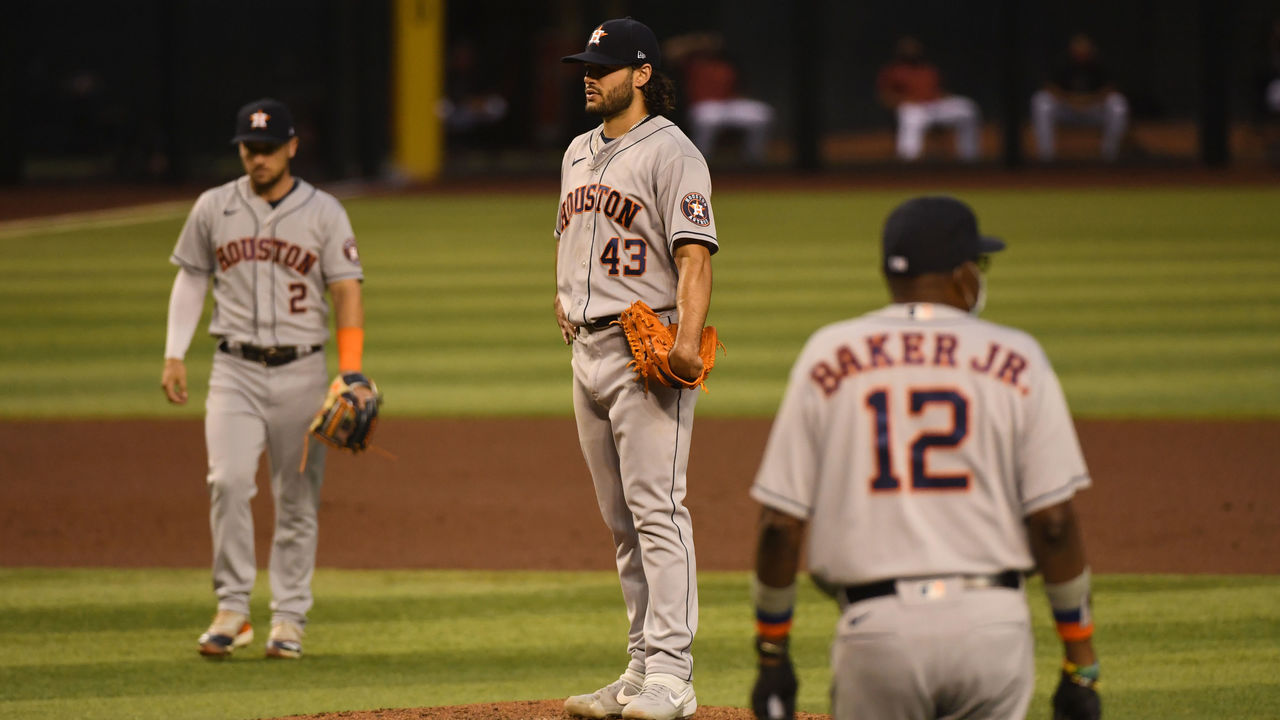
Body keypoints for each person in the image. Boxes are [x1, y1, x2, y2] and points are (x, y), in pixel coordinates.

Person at [748, 196, 1101, 720]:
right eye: (980, 266)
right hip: (993, 628)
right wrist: (1081, 663)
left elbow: (779, 525)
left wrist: (772, 653)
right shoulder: (1019, 357)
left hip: (878, 633)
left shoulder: (829, 353)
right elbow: (1053, 522)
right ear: (962, 276)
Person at [161, 98, 373, 660]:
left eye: (268, 149)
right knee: (227, 481)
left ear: (292, 147)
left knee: (296, 497)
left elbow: (346, 288)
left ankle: (288, 618)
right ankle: (232, 607)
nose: (257, 159)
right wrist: (174, 353)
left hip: (303, 371)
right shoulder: (213, 207)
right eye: (249, 150)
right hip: (232, 370)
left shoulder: (325, 212)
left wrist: (349, 370)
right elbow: (190, 279)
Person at [554, 16, 717, 720]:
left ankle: (673, 676)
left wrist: (685, 336)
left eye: (606, 65)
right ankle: (639, 667)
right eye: (588, 64)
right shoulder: (576, 151)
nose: (591, 74)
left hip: (641, 351)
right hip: (585, 354)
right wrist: (563, 296)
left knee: (658, 512)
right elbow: (574, 236)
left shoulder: (673, 152)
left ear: (643, 73)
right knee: (621, 521)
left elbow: (694, 254)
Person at [667, 32, 774, 164]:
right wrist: (697, 42)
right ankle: (699, 161)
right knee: (707, 119)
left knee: (762, 114)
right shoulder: (693, 62)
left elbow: (740, 89)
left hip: (728, 105)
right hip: (704, 107)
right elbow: (669, 51)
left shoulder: (727, 64)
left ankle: (753, 160)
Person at [876, 36, 982, 162]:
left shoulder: (928, 69)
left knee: (967, 108)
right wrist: (902, 102)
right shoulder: (893, 71)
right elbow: (886, 96)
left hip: (935, 106)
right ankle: (908, 161)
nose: (911, 52)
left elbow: (939, 91)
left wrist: (945, 98)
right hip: (914, 108)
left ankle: (969, 158)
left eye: (914, 49)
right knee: (910, 117)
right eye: (907, 49)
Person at [1031, 34, 1129, 162]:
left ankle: (1109, 155)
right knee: (1041, 101)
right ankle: (1046, 156)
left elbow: (1111, 88)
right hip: (1067, 109)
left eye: (1084, 49)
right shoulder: (1063, 63)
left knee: (1118, 104)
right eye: (1078, 49)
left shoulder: (1099, 65)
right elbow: (1049, 86)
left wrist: (1087, 100)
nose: (1081, 53)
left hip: (1093, 110)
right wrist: (1071, 100)